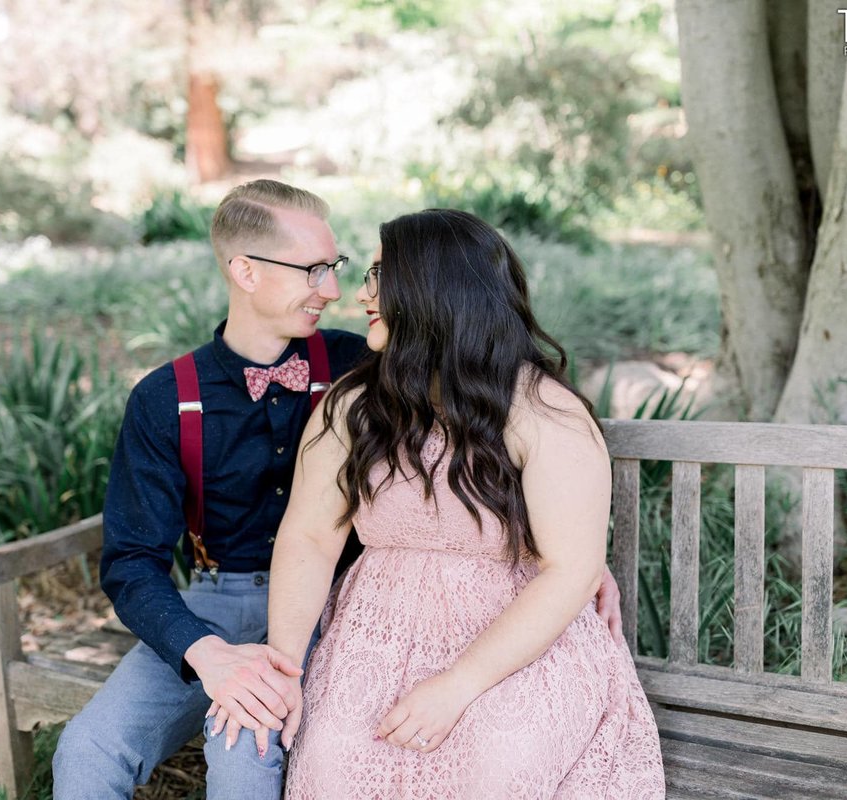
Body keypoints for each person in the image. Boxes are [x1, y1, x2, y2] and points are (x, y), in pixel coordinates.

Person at [54, 182, 623, 799]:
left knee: (257, 755)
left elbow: (537, 516)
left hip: (348, 610)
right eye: (314, 270)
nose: (337, 290)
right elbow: (145, 560)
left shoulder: (368, 363)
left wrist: (572, 559)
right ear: (245, 271)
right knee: (90, 749)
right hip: (225, 608)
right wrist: (211, 653)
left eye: (344, 269)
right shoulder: (174, 399)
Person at [257, 209, 664, 798]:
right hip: (378, 637)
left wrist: (456, 683)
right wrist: (286, 668)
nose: (360, 294)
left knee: (490, 767)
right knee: (332, 765)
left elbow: (572, 569)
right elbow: (311, 536)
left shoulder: (543, 412)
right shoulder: (353, 405)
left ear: (432, 291)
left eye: (378, 276)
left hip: (517, 646)